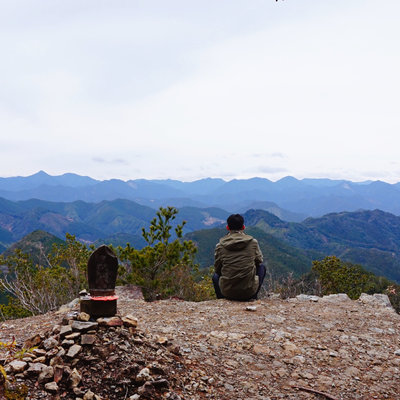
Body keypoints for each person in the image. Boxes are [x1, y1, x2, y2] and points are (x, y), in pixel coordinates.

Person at [212, 214, 266, 301]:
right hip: (249, 292)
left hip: (227, 292)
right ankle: (254, 297)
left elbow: (217, 269)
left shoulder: (220, 246)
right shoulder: (253, 243)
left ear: (227, 227)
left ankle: (221, 299)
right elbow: (259, 261)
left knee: (215, 276)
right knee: (262, 268)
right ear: (243, 227)